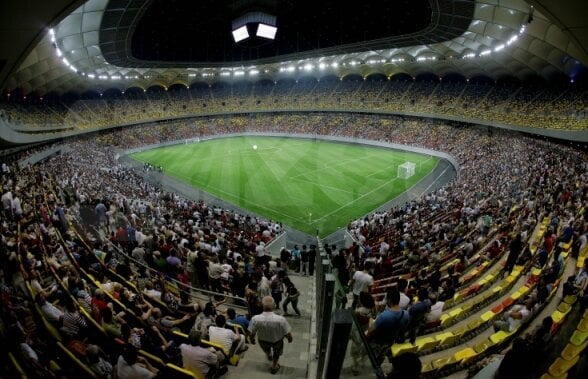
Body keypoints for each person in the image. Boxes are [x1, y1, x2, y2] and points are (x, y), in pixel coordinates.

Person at [248, 296, 293, 375]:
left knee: (267, 349)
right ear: (274, 305)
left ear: (262, 305)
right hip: (277, 341)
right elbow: (288, 333)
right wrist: (290, 339)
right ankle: (274, 366)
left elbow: (252, 333)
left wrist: (252, 339)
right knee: (276, 352)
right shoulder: (281, 319)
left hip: (262, 341)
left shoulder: (255, 319)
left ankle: (269, 354)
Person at [365, 289, 409, 364]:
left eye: (386, 299)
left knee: (371, 357)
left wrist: (370, 321)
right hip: (390, 341)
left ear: (390, 300)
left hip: (378, 342)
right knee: (381, 358)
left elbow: (370, 331)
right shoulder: (406, 314)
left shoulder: (384, 315)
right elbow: (403, 328)